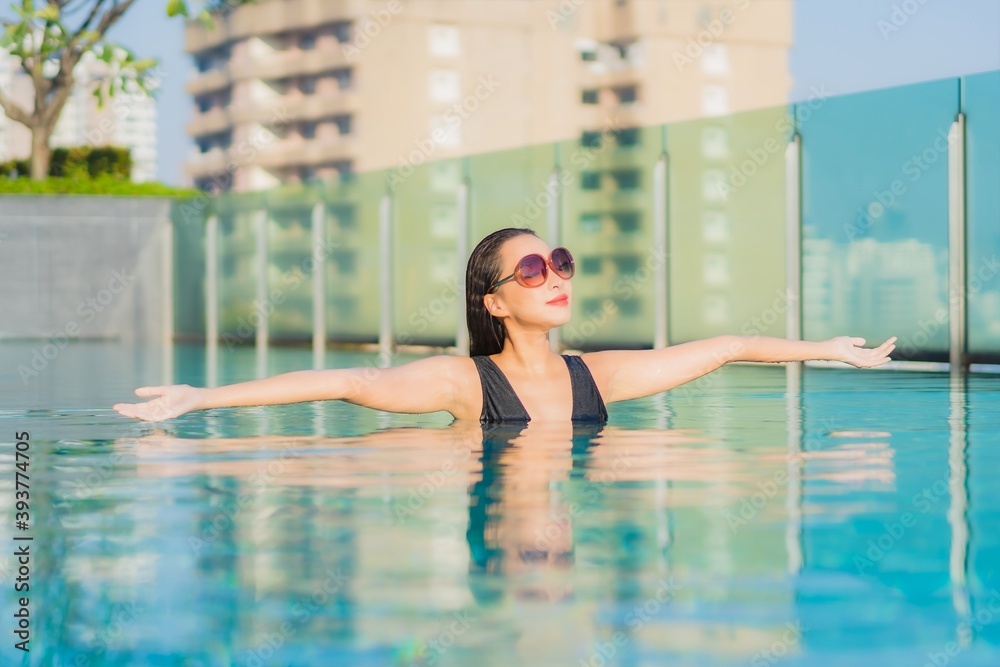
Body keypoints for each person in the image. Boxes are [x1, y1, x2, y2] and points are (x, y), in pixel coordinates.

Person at [113, 227, 897, 423]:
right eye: (530, 270)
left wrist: (830, 350)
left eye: (556, 261)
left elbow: (727, 344)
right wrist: (202, 399)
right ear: (494, 301)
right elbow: (349, 382)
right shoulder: (466, 383)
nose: (551, 276)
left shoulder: (598, 375)